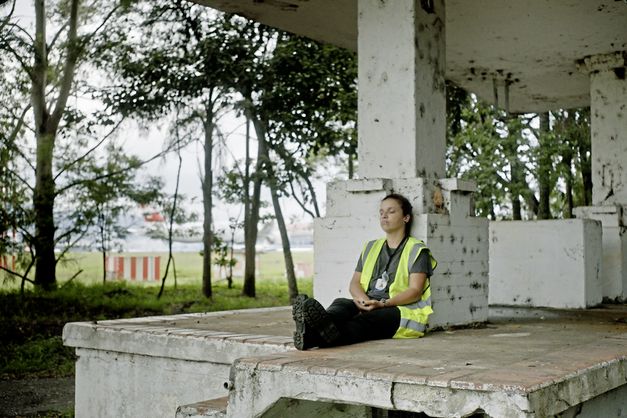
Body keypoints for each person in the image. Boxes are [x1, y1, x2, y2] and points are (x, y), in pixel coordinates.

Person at [292, 193, 437, 350]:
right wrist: (364, 301)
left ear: (406, 218)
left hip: (400, 310)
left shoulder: (417, 250)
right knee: (342, 304)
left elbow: (415, 291)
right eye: (381, 212)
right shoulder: (371, 247)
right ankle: (314, 331)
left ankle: (311, 335)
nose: (384, 216)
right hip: (370, 302)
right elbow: (354, 283)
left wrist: (382, 304)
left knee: (365, 322)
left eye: (391, 211)